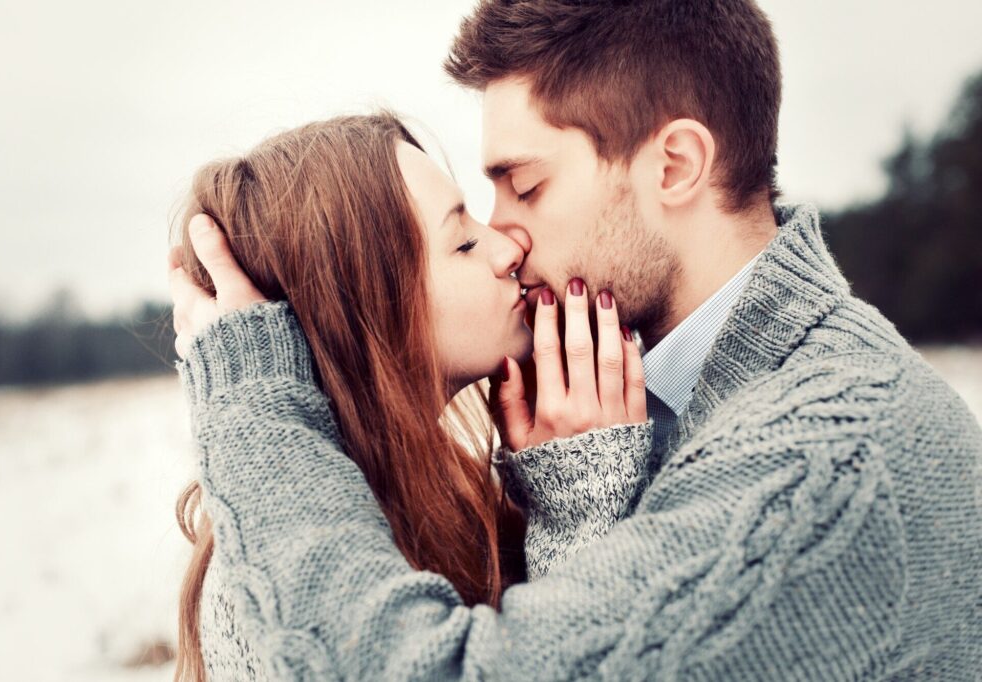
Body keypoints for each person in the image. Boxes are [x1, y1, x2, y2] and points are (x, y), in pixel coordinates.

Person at [169, 0, 982, 679]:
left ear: (673, 167)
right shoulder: (666, 409)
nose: (506, 239)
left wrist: (257, 415)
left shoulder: (823, 461)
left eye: (525, 185)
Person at [168, 112, 650, 682]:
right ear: (364, 309)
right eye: (464, 242)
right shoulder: (260, 598)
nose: (508, 249)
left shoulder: (450, 498)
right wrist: (583, 506)